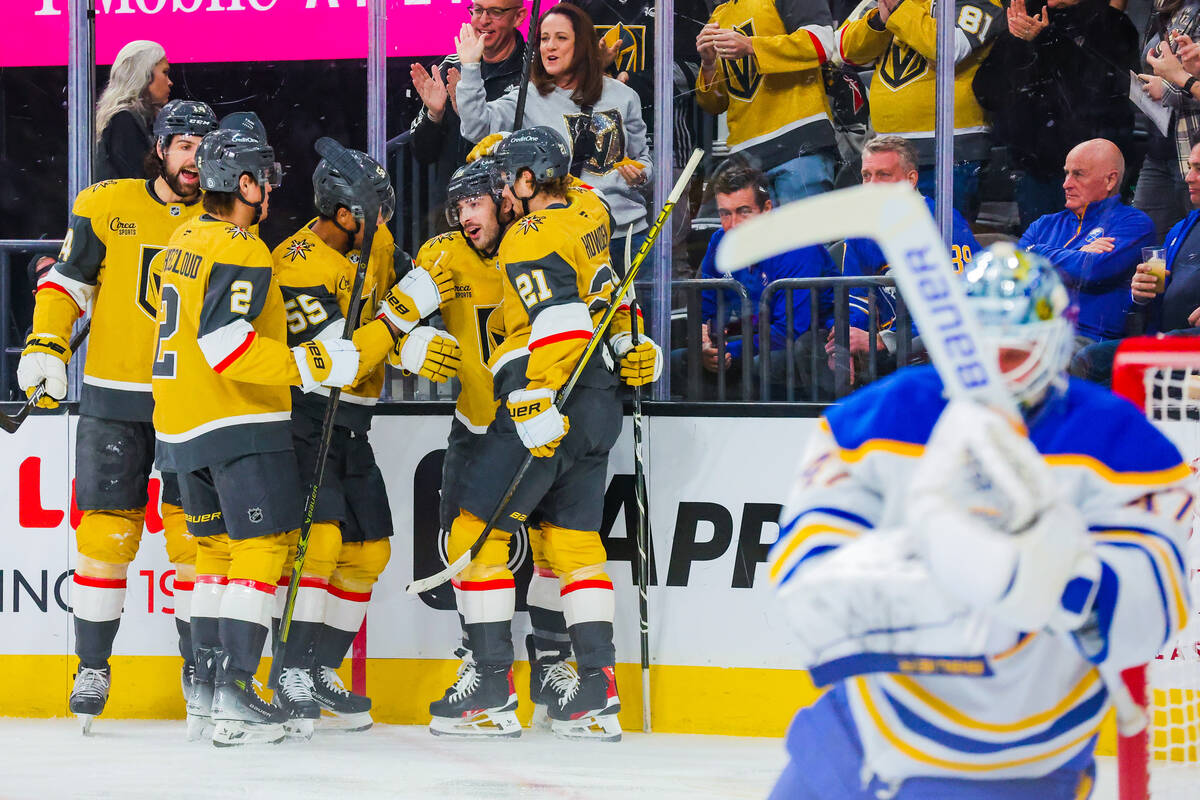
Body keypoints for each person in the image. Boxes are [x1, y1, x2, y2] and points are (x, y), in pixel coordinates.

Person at [768, 243, 1192, 798]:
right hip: (856, 734)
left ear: (1054, 344)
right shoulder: (876, 419)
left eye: (1010, 353)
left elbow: (1150, 615)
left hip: (1021, 761)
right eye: (973, 347)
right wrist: (930, 563)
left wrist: (1046, 567)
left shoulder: (1121, 444)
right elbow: (804, 575)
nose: (988, 371)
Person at [426, 126, 660, 742]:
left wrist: (535, 396)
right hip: (599, 402)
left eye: (507, 181)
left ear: (528, 181)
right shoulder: (589, 213)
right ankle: (595, 692)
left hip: (547, 399)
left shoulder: (530, 232)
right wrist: (634, 349)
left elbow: (557, 317)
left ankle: (492, 690)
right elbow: (611, 297)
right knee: (574, 544)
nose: (501, 192)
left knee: (476, 533)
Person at [152, 128, 361, 746]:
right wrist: (314, 364)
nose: (269, 188)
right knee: (263, 549)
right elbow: (227, 348)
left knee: (215, 554)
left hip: (180, 424)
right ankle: (239, 690)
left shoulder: (182, 236)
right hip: (236, 420)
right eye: (262, 177)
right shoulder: (241, 246)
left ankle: (208, 691)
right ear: (243, 185)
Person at [17, 99, 217, 733]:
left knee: (195, 544)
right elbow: (69, 281)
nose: (193, 157)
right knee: (104, 537)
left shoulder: (227, 216)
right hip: (113, 395)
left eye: (201, 146)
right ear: (158, 147)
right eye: (182, 144)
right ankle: (92, 667)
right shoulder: (107, 203)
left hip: (191, 401)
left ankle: (200, 672)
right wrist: (46, 343)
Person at [270, 150, 440, 736]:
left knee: (370, 552)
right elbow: (334, 363)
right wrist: (395, 326)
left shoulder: (378, 241)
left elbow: (401, 312)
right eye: (375, 211)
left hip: (355, 423)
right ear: (343, 214)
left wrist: (409, 339)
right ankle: (287, 671)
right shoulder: (293, 267)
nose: (385, 221)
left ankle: (318, 667)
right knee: (316, 546)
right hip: (305, 415)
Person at [455, 3, 653, 271]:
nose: (550, 46)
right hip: (560, 238)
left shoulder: (624, 96)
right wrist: (470, 69)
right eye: (545, 38)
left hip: (625, 237)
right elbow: (476, 127)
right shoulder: (526, 96)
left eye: (561, 38)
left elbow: (643, 159)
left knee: (634, 315)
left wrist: (641, 174)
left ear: (582, 45)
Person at [669, 158, 837, 401]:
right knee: (675, 363)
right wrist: (704, 343)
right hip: (751, 342)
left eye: (743, 212)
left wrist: (729, 351)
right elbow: (705, 310)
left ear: (766, 209)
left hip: (808, 346)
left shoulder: (798, 244)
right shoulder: (719, 242)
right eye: (725, 214)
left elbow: (789, 332)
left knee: (764, 364)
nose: (733, 224)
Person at [973, 0, 1139, 229]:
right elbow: (987, 93)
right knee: (1041, 251)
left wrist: (1047, 39)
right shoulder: (1026, 23)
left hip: (1092, 171)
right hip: (1035, 172)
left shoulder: (1113, 24)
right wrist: (1016, 42)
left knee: (1088, 249)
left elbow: (1101, 86)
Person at [837, 0, 1004, 221]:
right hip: (887, 154)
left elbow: (947, 48)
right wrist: (879, 21)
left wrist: (899, 9)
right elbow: (844, 49)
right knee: (893, 249)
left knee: (946, 247)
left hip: (951, 152)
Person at [837, 135, 981, 383]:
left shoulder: (943, 222)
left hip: (936, 346)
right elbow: (857, 297)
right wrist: (849, 335)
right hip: (888, 345)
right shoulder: (860, 230)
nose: (871, 186)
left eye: (883, 175)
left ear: (911, 180)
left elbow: (958, 306)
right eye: (866, 176)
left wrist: (883, 340)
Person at [1071, 139, 1200, 385]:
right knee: (1085, 360)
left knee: (1091, 359)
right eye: (1189, 167)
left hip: (1188, 346)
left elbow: (1095, 268)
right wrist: (1141, 294)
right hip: (1167, 341)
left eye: (1199, 169)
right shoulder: (1179, 230)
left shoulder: (1135, 223)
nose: (1188, 178)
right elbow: (1153, 302)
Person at [694, 0, 839, 205]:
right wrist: (708, 64)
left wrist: (752, 46)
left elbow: (821, 42)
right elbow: (714, 105)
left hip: (798, 144)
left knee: (805, 235)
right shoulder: (719, 15)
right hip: (744, 160)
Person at [1019, 138, 1154, 347]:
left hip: (1086, 341)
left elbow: (1092, 270)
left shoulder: (1133, 224)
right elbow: (1016, 268)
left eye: (1078, 174)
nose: (1066, 184)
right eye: (1066, 173)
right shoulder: (1044, 224)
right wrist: (1079, 252)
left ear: (1110, 180)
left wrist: (1035, 251)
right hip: (1030, 331)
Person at [407, 0, 527, 184]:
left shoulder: (534, 70)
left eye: (495, 12)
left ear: (519, 17)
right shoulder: (450, 67)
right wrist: (434, 115)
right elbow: (423, 154)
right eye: (477, 10)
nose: (483, 20)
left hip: (512, 200)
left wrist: (468, 110)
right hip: (456, 203)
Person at [1132, 0, 1200, 241]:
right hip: (1160, 146)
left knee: (1193, 247)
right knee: (1143, 243)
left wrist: (1173, 87)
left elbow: (1186, 79)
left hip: (1191, 148)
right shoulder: (1163, 8)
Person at [95, 40, 172, 181]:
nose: (170, 82)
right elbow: (138, 181)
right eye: (165, 73)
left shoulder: (132, 118)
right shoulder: (123, 120)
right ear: (145, 76)